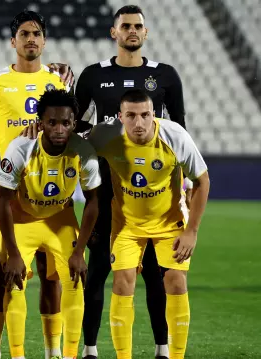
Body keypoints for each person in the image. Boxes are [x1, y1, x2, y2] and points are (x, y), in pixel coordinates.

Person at [74, 6, 186, 358]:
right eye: (126, 26)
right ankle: (90, 350)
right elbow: (74, 127)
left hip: (149, 197)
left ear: (146, 32)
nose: (132, 31)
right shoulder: (93, 76)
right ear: (114, 32)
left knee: (155, 276)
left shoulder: (165, 76)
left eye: (138, 26)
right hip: (104, 192)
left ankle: (162, 349)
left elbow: (179, 131)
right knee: (97, 274)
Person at [0, 10, 73, 359]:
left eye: (37, 34)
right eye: (24, 34)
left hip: (52, 191)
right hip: (11, 192)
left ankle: (52, 351)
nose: (31, 39)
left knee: (52, 276)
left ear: (44, 41)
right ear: (13, 41)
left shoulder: (60, 82)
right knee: (6, 275)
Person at [87, 89, 208, 359]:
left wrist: (192, 232)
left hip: (169, 222)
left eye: (145, 115)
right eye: (131, 116)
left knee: (176, 282)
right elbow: (71, 146)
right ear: (120, 116)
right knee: (122, 281)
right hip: (127, 224)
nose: (139, 123)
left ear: (154, 114)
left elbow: (202, 180)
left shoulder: (174, 135)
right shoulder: (105, 135)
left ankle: (176, 356)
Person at [0, 89, 100, 359]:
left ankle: (65, 355)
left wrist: (79, 251)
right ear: (39, 123)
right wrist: (14, 253)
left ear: (74, 124)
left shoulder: (84, 151)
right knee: (14, 283)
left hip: (61, 220)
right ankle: (17, 355)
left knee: (74, 281)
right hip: (22, 219)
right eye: (52, 122)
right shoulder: (20, 148)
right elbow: (3, 201)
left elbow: (92, 202)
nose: (58, 129)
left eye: (65, 123)